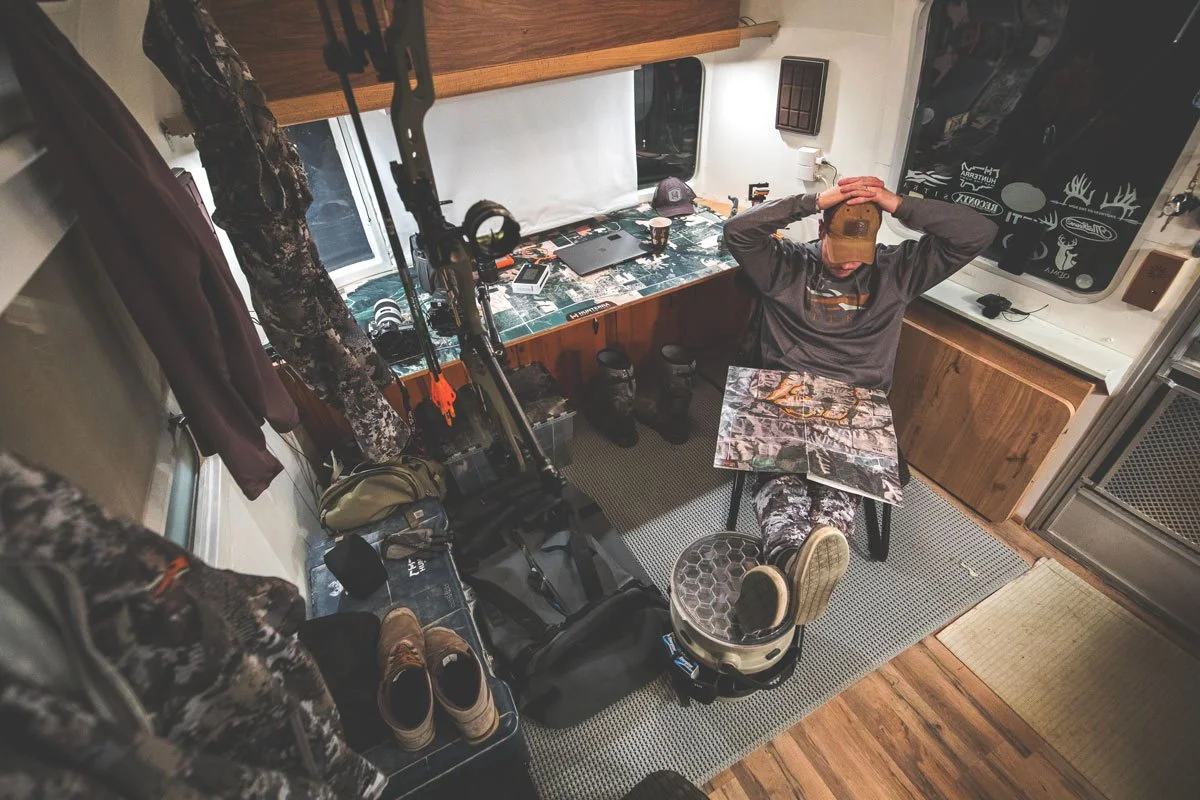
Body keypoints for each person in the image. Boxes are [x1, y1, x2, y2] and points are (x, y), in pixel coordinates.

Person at [722, 176, 998, 631]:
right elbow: (737, 231)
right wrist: (814, 200)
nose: (850, 265)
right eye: (840, 250)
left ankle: (788, 566)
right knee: (782, 470)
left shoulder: (898, 269)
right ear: (821, 230)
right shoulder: (784, 264)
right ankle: (796, 564)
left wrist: (898, 203)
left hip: (857, 402)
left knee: (838, 482)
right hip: (787, 393)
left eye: (860, 253)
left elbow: (978, 233)